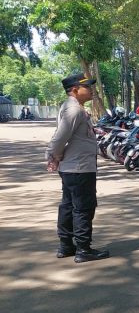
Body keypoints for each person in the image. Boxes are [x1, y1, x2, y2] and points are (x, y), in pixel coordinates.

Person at [45, 74, 110, 263]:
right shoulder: (74, 110)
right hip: (79, 167)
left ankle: (66, 246)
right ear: (75, 90)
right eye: (87, 87)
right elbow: (60, 137)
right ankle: (83, 249)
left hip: (75, 166)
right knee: (83, 207)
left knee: (68, 205)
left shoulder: (73, 107)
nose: (91, 90)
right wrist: (52, 155)